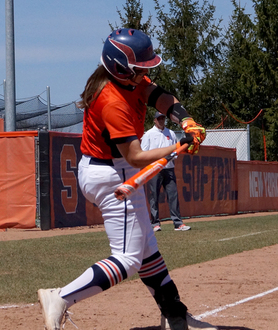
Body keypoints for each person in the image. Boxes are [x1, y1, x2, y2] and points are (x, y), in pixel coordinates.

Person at [37, 29, 216, 330]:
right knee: (129, 259)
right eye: (141, 68)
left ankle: (175, 315)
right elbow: (134, 155)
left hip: (111, 168)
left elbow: (157, 95)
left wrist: (184, 119)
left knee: (146, 248)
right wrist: (178, 145)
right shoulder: (111, 100)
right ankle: (61, 297)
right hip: (113, 174)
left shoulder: (125, 80)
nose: (146, 72)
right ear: (122, 68)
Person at [141, 111, 190, 232]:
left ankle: (178, 223)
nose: (161, 121)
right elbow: (144, 152)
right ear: (154, 120)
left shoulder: (171, 133)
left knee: (173, 195)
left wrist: (171, 157)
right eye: (159, 119)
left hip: (169, 168)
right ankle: (155, 223)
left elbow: (176, 151)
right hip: (154, 169)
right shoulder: (149, 134)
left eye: (163, 118)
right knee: (154, 196)